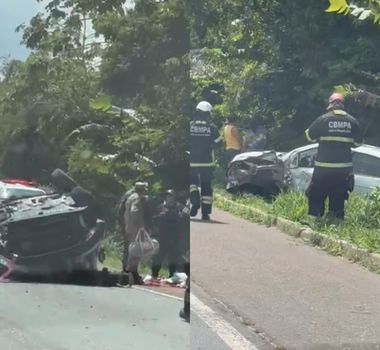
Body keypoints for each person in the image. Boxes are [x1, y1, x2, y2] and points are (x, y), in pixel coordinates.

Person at [305, 93, 363, 219]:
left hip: (322, 169)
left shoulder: (323, 119)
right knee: (338, 198)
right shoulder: (352, 121)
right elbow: (358, 143)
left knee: (317, 195)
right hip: (343, 171)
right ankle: (336, 223)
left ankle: (314, 221)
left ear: (330, 104)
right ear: (343, 105)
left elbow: (309, 136)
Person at [190, 101, 221, 221]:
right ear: (208, 113)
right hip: (207, 162)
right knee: (206, 186)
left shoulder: (190, 126)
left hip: (192, 161)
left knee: (192, 183)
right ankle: (205, 213)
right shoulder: (212, 127)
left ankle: (195, 200)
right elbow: (218, 143)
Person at [151, 190, 187, 280]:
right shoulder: (160, 207)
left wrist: (180, 216)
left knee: (173, 258)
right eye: (168, 196)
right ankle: (154, 275)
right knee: (158, 257)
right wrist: (160, 215)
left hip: (174, 237)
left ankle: (171, 276)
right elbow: (153, 219)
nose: (169, 198)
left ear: (174, 197)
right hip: (162, 237)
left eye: (171, 196)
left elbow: (187, 218)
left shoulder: (180, 207)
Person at [123, 182, 149, 285]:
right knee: (136, 252)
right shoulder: (137, 199)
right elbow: (135, 212)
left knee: (132, 250)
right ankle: (132, 273)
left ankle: (131, 273)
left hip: (129, 227)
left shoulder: (131, 197)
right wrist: (140, 226)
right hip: (135, 230)